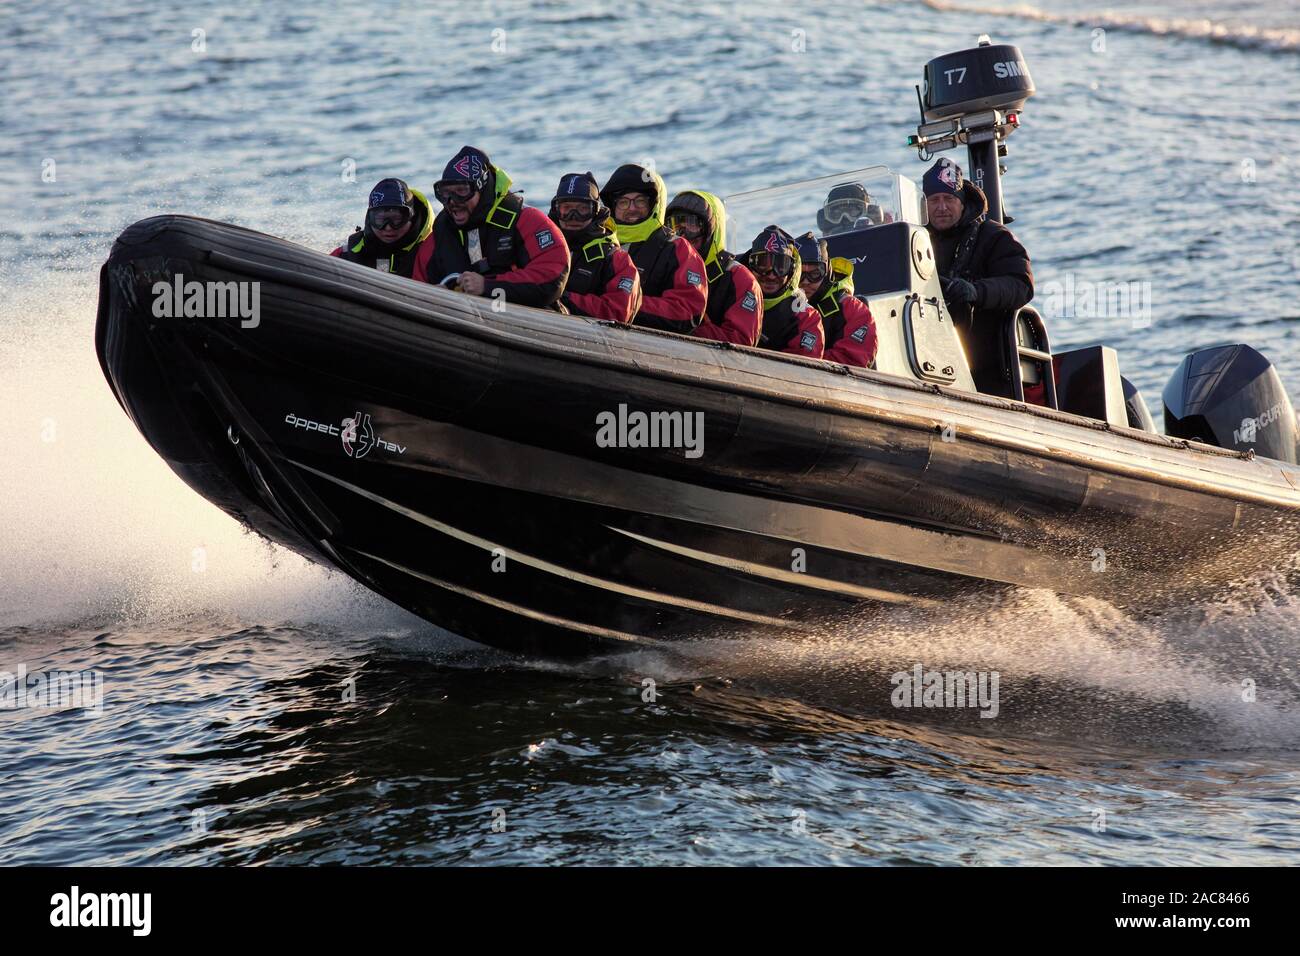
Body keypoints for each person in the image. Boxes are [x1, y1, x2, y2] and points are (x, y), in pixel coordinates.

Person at [923, 157, 1034, 395]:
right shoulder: (915, 242)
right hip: (927, 358)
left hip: (987, 365)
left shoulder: (994, 236)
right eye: (934, 200)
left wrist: (976, 291)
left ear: (963, 203)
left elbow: (1021, 284)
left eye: (949, 199)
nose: (941, 207)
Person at [412, 145, 569, 310]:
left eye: (461, 191)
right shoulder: (439, 235)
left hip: (522, 315)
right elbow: (417, 285)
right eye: (445, 193)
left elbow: (552, 276)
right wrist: (434, 295)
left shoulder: (527, 220)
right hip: (460, 317)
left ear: (481, 187)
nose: (453, 201)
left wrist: (487, 286)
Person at [599, 164, 707, 333]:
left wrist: (628, 303)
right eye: (623, 202)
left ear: (654, 204)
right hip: (596, 334)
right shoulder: (600, 243)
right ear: (612, 207)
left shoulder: (679, 250)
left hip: (652, 344)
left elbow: (687, 311)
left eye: (640, 201)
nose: (632, 208)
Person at [664, 190, 762, 346]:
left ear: (711, 230)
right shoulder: (666, 267)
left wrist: (688, 326)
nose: (682, 235)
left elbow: (741, 342)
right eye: (675, 226)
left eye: (692, 225)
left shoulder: (739, 279)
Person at [548, 172, 641, 323]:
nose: (574, 217)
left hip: (590, 339)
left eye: (582, 209)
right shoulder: (541, 245)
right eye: (566, 209)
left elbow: (618, 312)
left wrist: (562, 297)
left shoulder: (617, 259)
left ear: (596, 210)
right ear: (556, 210)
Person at [794, 232, 877, 368]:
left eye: (815, 274)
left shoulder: (853, 309)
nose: (806, 282)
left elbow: (853, 360)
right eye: (800, 275)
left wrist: (804, 365)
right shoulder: (783, 304)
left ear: (827, 272)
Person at [743, 226, 823, 358]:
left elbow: (805, 369)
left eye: (781, 267)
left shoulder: (805, 316)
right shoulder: (733, 292)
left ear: (792, 270)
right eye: (762, 264)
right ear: (750, 264)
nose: (771, 275)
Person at [330, 178, 434, 277]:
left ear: (412, 217)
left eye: (396, 219)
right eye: (380, 219)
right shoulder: (348, 253)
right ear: (370, 219)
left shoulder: (432, 253)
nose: (388, 227)